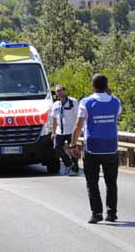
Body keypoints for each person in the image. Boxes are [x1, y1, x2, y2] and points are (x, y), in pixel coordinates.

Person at [70, 74, 122, 224]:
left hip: (92, 147)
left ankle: (97, 213)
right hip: (111, 147)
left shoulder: (86, 102)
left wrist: (73, 145)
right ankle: (112, 213)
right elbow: (117, 115)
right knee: (111, 182)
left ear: (92, 86)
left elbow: (78, 126)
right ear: (107, 86)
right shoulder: (116, 101)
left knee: (92, 182)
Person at [52, 85, 79, 176]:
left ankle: (75, 169)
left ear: (64, 91)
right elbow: (54, 119)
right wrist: (53, 132)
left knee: (73, 149)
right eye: (56, 91)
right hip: (60, 131)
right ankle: (69, 164)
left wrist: (78, 129)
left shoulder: (73, 102)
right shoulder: (56, 104)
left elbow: (78, 116)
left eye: (60, 91)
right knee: (57, 148)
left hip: (71, 130)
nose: (58, 93)